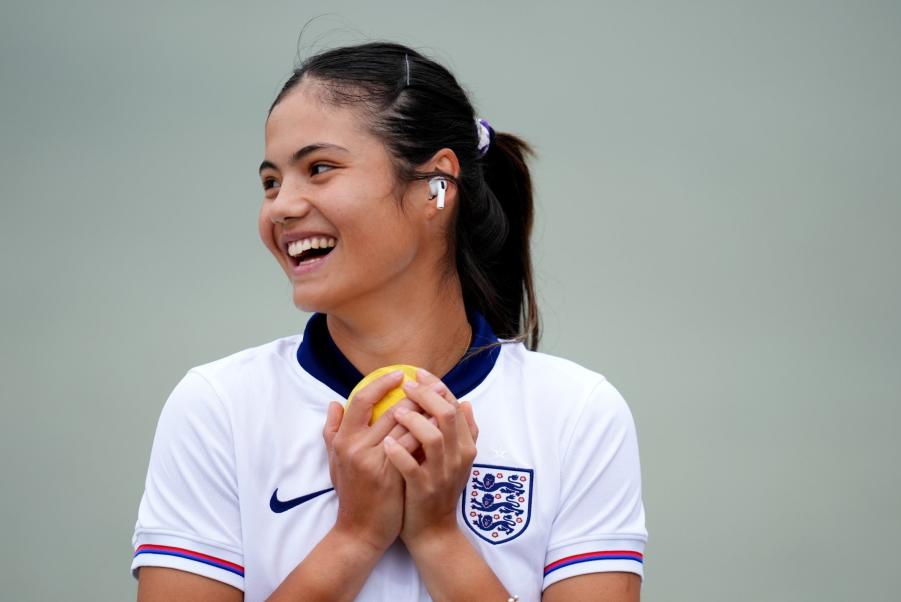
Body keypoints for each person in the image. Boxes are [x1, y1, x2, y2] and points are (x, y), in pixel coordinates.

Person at [131, 41, 647, 601]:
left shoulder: (578, 415)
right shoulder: (217, 407)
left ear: (436, 185)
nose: (280, 206)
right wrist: (355, 536)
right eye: (271, 181)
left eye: (319, 168)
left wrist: (439, 537)